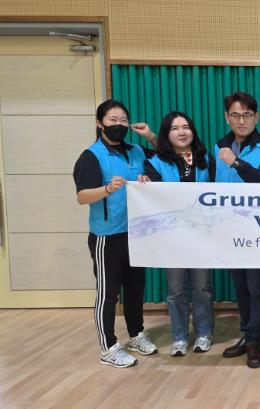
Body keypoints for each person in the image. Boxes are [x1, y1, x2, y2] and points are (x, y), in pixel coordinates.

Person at [73, 99, 159, 368]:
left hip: (136, 232)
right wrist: (107, 189)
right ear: (99, 123)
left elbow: (166, 156)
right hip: (107, 236)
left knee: (135, 289)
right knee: (108, 294)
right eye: (113, 120)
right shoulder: (91, 156)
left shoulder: (136, 151)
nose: (119, 125)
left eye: (123, 120)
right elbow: (82, 196)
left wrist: (150, 136)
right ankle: (108, 347)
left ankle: (136, 335)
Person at [141, 111, 216, 357]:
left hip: (201, 235)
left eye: (186, 127)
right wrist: (144, 185)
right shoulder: (156, 162)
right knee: (176, 290)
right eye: (175, 128)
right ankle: (179, 337)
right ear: (167, 134)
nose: (182, 132)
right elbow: (152, 197)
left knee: (202, 287)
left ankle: (204, 333)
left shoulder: (206, 159)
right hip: (171, 237)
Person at [216, 92, 260, 368]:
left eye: (247, 115)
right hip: (228, 229)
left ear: (256, 117)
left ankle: (254, 340)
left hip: (256, 230)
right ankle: (247, 333)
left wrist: (236, 162)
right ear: (227, 117)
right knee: (240, 286)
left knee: (256, 286)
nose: (242, 121)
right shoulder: (219, 148)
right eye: (236, 115)